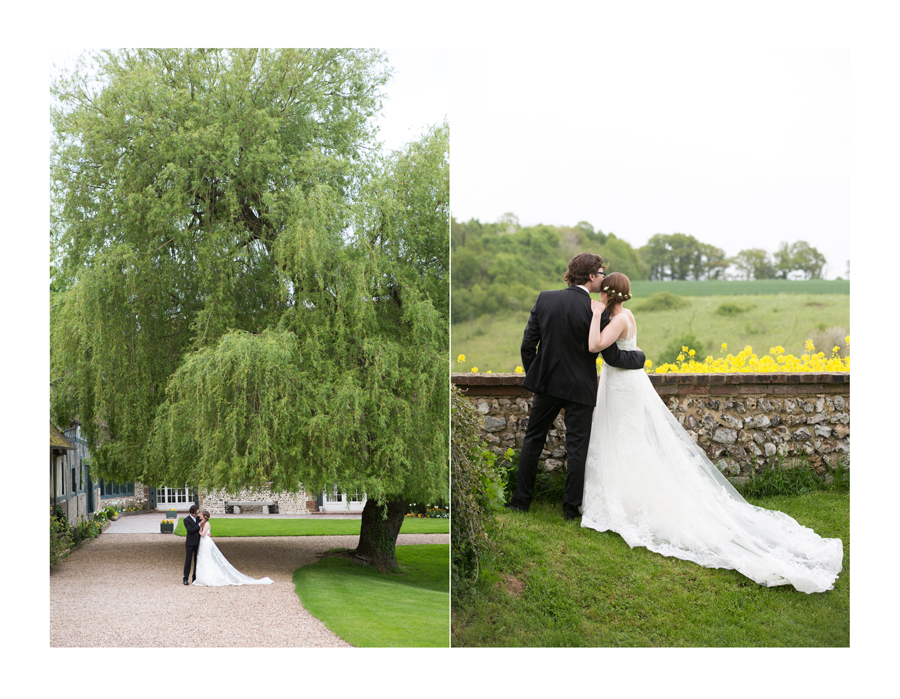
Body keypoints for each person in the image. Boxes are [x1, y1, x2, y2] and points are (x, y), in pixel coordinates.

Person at [580, 272, 843, 593]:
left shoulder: (618, 319)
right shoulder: (625, 315)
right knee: (620, 441)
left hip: (622, 388)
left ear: (607, 294)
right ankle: (616, 497)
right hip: (620, 384)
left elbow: (595, 344)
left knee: (628, 442)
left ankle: (630, 503)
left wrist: (594, 316)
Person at [507, 253, 647, 520]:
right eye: (602, 273)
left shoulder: (544, 299)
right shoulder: (597, 310)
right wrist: (640, 357)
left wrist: (536, 379)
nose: (604, 277)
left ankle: (520, 502)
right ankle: (571, 510)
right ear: (591, 276)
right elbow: (613, 356)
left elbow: (528, 346)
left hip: (546, 385)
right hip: (581, 388)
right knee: (577, 448)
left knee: (533, 441)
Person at [193, 511, 273, 586]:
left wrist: (198, 531)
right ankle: (203, 577)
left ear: (204, 516)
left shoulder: (206, 524)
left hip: (206, 542)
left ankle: (210, 577)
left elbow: (203, 534)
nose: (200, 515)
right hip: (203, 542)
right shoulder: (203, 523)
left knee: (207, 558)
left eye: (201, 514)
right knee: (203, 558)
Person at [183, 504, 202, 585]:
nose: (197, 514)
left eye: (198, 513)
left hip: (198, 542)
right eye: (196, 513)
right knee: (188, 560)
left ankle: (195, 577)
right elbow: (190, 530)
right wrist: (199, 525)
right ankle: (186, 578)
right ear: (192, 513)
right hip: (190, 543)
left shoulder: (198, 518)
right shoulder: (186, 520)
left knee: (196, 560)